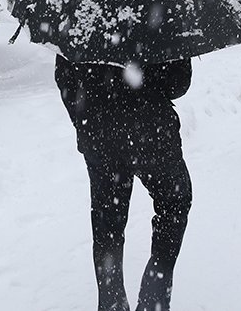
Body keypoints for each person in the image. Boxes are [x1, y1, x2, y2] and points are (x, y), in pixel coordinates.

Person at [55, 55, 193, 311]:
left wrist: (86, 121)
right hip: (153, 134)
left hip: (100, 136)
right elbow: (178, 83)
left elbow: (65, 78)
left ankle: (112, 304)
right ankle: (154, 298)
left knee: (107, 222)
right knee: (175, 203)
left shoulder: (80, 19)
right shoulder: (163, 15)